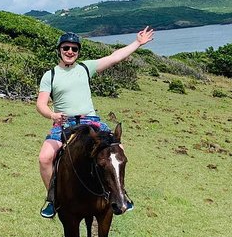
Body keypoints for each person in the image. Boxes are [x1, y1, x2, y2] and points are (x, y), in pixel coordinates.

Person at [36, 27, 154, 218]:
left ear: (78, 52)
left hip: (91, 121)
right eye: (66, 47)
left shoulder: (85, 67)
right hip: (64, 123)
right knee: (45, 158)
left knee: (118, 151)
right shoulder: (50, 75)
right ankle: (53, 198)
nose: (70, 52)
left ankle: (120, 193)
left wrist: (138, 43)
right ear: (59, 49)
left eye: (74, 49)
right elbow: (41, 104)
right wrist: (51, 115)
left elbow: (115, 57)